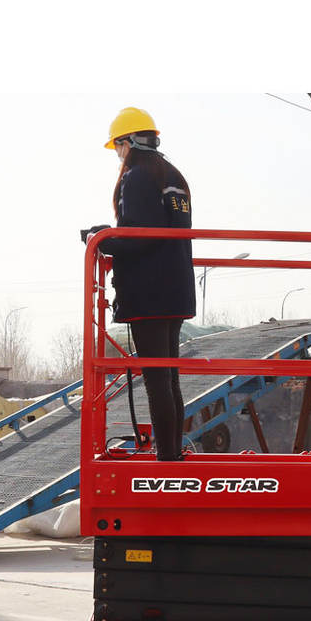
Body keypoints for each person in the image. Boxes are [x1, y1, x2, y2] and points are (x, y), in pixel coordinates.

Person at [90, 106, 196, 461]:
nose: (118, 155)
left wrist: (102, 239)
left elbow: (138, 237)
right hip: (176, 289)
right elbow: (159, 230)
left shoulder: (136, 177)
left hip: (148, 293)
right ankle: (172, 454)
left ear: (128, 142)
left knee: (157, 381)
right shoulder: (173, 175)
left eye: (118, 148)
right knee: (169, 378)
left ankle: (166, 460)